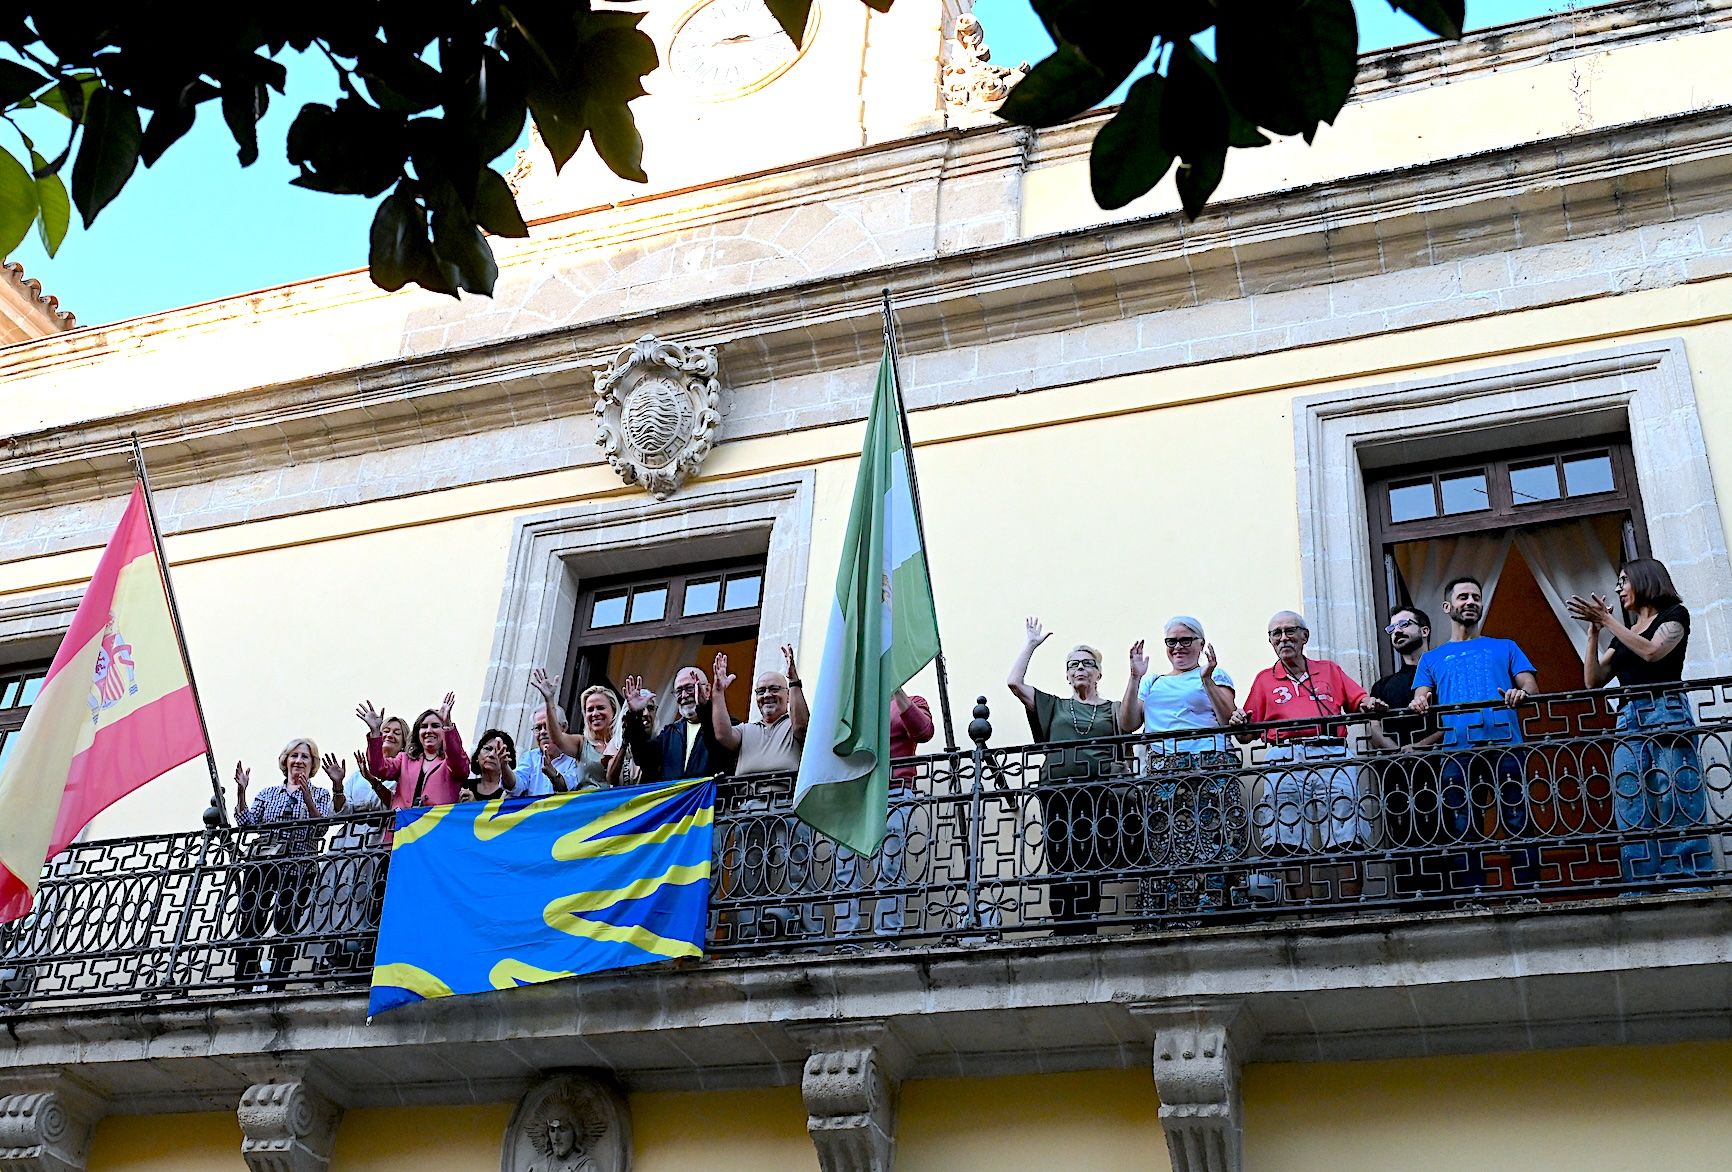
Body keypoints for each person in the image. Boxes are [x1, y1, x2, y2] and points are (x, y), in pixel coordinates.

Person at [1568, 558, 1712, 889]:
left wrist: (1606, 619)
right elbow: (1593, 680)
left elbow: (1652, 652)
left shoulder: (1675, 616)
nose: (1619, 588)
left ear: (1644, 579)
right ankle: (1641, 883)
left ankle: (1689, 881)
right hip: (1628, 717)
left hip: (1666, 711)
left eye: (1623, 581)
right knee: (1630, 801)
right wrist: (1594, 632)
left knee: (1675, 794)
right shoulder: (1624, 633)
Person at [1231, 611, 1384, 902]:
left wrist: (1368, 703)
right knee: (1288, 840)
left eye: (1290, 631)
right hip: (1283, 757)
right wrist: (1239, 720)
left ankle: (1350, 916)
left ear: (1305, 637)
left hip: (1331, 752)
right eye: (1276, 633)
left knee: (1347, 833)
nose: (1283, 638)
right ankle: (1305, 913)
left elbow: (1358, 701)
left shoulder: (1328, 670)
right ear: (1270, 641)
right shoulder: (1264, 679)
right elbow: (1245, 734)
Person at [1409, 576, 1540, 894]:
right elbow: (1420, 696)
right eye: (1463, 596)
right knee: (1462, 824)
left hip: (1506, 743)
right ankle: (1473, 895)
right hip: (1457, 749)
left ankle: (1528, 892)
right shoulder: (1431, 658)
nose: (1470, 602)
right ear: (1447, 606)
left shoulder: (1505, 646)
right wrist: (1420, 700)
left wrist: (1519, 694)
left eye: (1476, 597)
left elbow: (1531, 688)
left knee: (1517, 817)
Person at [1009, 616, 1124, 935]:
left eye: (1087, 664)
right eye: (1073, 664)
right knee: (1059, 854)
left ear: (1099, 673)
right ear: (1067, 674)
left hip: (1098, 792)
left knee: (1091, 854)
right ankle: (1063, 924)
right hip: (1056, 791)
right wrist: (1031, 644)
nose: (1080, 669)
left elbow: (1130, 725)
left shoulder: (1111, 708)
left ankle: (1087, 922)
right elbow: (1014, 682)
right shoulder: (1055, 706)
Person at [1121, 616, 1243, 916]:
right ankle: (1170, 916)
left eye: (1186, 640)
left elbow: (1229, 721)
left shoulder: (1217, 675)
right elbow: (1128, 723)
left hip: (1210, 768)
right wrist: (1135, 677)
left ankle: (1218, 914)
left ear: (1201, 644)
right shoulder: (1153, 681)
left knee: (1216, 840)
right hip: (1164, 774)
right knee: (1167, 846)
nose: (1178, 647)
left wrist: (1206, 679)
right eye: (1171, 641)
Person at [712, 646, 816, 941]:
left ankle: (800, 935)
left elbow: (802, 725)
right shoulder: (747, 730)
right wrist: (718, 693)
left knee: (795, 871)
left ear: (785, 694)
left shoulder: (792, 724)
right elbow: (722, 735)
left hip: (787, 805)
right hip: (751, 807)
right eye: (761, 691)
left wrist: (794, 681)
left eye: (774, 689)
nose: (767, 695)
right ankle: (748, 937)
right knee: (748, 875)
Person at [835, 687, 938, 941]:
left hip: (894, 794)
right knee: (845, 870)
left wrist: (896, 690)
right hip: (855, 797)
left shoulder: (913, 700)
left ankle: (887, 937)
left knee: (889, 866)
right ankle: (846, 939)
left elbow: (923, 732)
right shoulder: (855, 705)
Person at [231, 737, 336, 984]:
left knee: (286, 923)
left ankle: (278, 980)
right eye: (294, 756)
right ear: (286, 760)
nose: (298, 761)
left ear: (313, 764)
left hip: (298, 866)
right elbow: (247, 824)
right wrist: (241, 792)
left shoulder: (320, 794)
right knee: (250, 919)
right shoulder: (268, 793)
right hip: (263, 865)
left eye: (305, 757)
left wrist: (307, 797)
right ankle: (243, 981)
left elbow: (320, 829)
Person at [1367, 607, 1445, 895]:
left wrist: (1419, 747)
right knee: (1403, 839)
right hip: (1399, 778)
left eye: (1403, 624)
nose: (1396, 631)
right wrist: (1399, 752)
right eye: (1392, 628)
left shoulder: (1443, 674)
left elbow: (1450, 723)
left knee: (1447, 835)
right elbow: (1374, 728)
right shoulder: (1384, 685)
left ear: (1424, 631)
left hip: (1442, 772)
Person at [622, 666, 734, 783]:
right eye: (679, 691)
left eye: (690, 688)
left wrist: (704, 707)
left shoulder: (726, 726)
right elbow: (644, 759)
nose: (684, 695)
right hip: (678, 800)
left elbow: (719, 750)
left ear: (707, 690)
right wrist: (635, 716)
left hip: (711, 799)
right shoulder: (670, 732)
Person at [358, 692, 470, 808]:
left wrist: (447, 724)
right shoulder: (404, 759)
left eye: (435, 726)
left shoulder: (450, 763)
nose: (429, 731)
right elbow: (379, 769)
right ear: (418, 732)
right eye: (424, 726)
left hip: (436, 824)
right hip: (402, 824)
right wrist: (376, 731)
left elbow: (459, 764)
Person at [528, 668, 618, 792]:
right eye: (590, 710)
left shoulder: (623, 742)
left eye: (600, 708)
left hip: (618, 807)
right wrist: (549, 701)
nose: (595, 713)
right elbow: (557, 738)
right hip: (586, 806)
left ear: (613, 710)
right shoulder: (582, 743)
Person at [514, 684, 584, 796]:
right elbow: (516, 787)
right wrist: (503, 767)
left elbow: (570, 789)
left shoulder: (574, 759)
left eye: (547, 726)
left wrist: (554, 775)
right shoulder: (530, 758)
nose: (542, 732)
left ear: (563, 727)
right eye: (538, 728)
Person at [608, 689, 656, 787]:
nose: (646, 713)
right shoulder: (617, 743)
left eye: (650, 708)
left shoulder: (663, 740)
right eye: (641, 709)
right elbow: (611, 779)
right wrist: (625, 741)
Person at [464, 729, 518, 801]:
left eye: (498, 751)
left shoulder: (511, 793)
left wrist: (474, 805)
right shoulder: (464, 786)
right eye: (487, 749)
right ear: (477, 756)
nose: (491, 755)